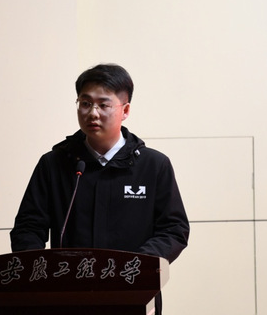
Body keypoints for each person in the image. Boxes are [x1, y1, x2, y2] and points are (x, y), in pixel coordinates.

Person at [10, 63, 189, 264]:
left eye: (103, 105)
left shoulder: (153, 166)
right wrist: (40, 270)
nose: (93, 113)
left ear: (125, 110)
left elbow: (173, 229)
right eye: (85, 103)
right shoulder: (53, 164)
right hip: (68, 280)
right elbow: (28, 228)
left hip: (132, 279)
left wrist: (138, 265)